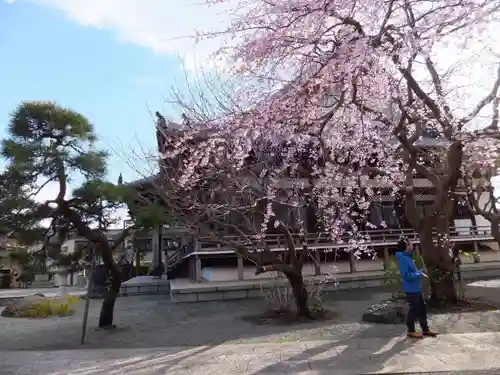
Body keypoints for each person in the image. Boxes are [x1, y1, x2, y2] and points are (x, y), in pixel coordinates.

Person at [395, 237, 438, 339]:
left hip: (416, 288)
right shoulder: (403, 259)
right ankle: (411, 330)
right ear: (406, 246)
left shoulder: (408, 257)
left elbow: (412, 272)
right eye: (410, 244)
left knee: (422, 308)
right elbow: (407, 275)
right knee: (414, 309)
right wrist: (419, 273)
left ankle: (425, 329)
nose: (412, 245)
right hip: (411, 289)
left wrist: (420, 271)